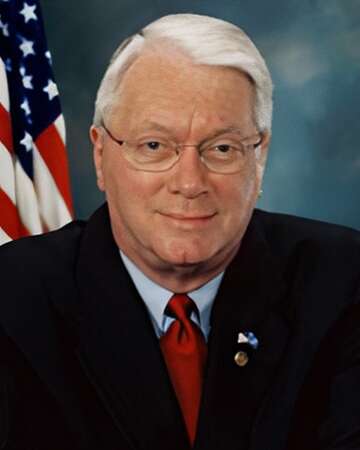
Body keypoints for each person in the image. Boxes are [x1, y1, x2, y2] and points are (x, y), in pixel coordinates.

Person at [0, 13, 359, 450]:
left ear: (259, 155)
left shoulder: (344, 285)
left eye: (222, 148)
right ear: (99, 155)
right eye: (154, 146)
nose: (190, 183)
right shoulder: (12, 299)